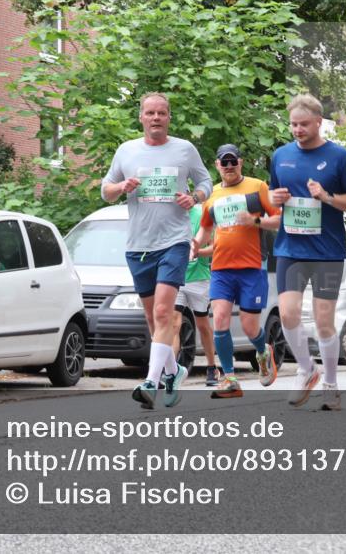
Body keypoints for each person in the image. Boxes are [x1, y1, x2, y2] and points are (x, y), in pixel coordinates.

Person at [101, 93, 212, 409]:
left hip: (175, 242)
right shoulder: (127, 151)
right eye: (150, 113)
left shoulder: (184, 150)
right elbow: (105, 190)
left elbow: (206, 183)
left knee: (164, 312)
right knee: (153, 319)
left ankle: (151, 382)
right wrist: (122, 187)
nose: (155, 118)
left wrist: (195, 197)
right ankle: (173, 371)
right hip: (138, 246)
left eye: (161, 113)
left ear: (168, 117)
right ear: (141, 117)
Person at [269, 94, 346, 410]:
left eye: (304, 124)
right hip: (290, 248)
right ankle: (306, 369)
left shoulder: (339, 157)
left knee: (325, 321)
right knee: (287, 313)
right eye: (293, 124)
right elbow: (272, 198)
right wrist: (276, 198)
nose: (297, 129)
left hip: (326, 251)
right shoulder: (281, 155)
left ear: (319, 122)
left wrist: (325, 196)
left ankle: (331, 384)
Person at [195, 144, 282, 398]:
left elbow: (278, 219)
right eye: (225, 162)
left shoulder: (257, 187)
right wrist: (194, 245)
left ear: (241, 163)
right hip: (221, 269)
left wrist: (255, 221)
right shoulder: (211, 195)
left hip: (252, 268)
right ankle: (230, 378)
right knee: (220, 319)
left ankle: (263, 351)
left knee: (249, 325)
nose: (229, 167)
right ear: (217, 165)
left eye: (234, 162)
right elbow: (205, 230)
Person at [173, 202, 219, 386]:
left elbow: (215, 246)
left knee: (202, 325)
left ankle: (211, 367)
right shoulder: (168, 214)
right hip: (176, 277)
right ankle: (172, 370)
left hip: (199, 279)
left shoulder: (201, 213)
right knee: (173, 324)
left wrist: (197, 252)